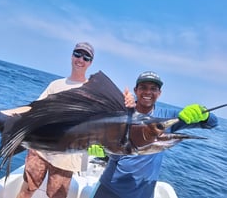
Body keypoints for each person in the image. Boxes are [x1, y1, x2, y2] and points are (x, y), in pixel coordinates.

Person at [0, 42, 136, 198]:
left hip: (67, 159)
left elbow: (119, 121)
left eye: (86, 57)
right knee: (26, 192)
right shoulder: (56, 85)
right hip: (39, 150)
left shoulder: (94, 93)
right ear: (72, 56)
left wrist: (129, 104)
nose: (80, 59)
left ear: (90, 63)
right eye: (77, 54)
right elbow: (32, 109)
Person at [90, 71, 218, 198]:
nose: (147, 92)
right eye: (143, 87)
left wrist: (204, 114)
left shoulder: (168, 116)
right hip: (110, 188)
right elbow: (108, 144)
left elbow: (212, 123)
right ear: (136, 90)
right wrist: (102, 151)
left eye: (153, 89)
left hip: (143, 193)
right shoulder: (122, 113)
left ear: (159, 93)